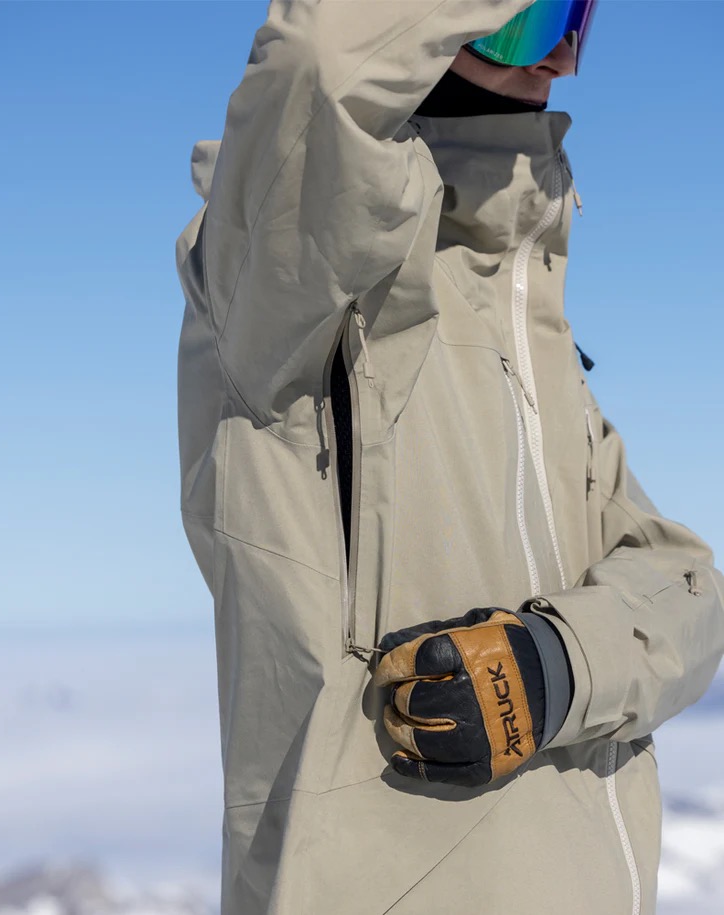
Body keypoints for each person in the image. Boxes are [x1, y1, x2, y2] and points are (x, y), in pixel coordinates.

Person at [175, 2, 724, 913]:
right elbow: (321, 66)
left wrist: (556, 665)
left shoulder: (533, 337)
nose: (559, 61)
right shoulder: (288, 293)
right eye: (523, 18)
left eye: (574, 19)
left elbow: (691, 591)